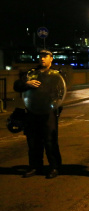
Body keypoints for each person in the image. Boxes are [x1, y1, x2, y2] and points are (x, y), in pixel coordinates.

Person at [13, 49, 63, 179]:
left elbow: (62, 91)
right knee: (33, 141)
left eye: (45, 56)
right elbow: (17, 85)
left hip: (48, 112)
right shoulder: (31, 73)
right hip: (33, 111)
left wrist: (55, 106)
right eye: (41, 56)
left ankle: (54, 167)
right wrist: (26, 83)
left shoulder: (56, 74)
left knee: (50, 141)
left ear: (51, 59)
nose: (42, 59)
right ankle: (35, 166)